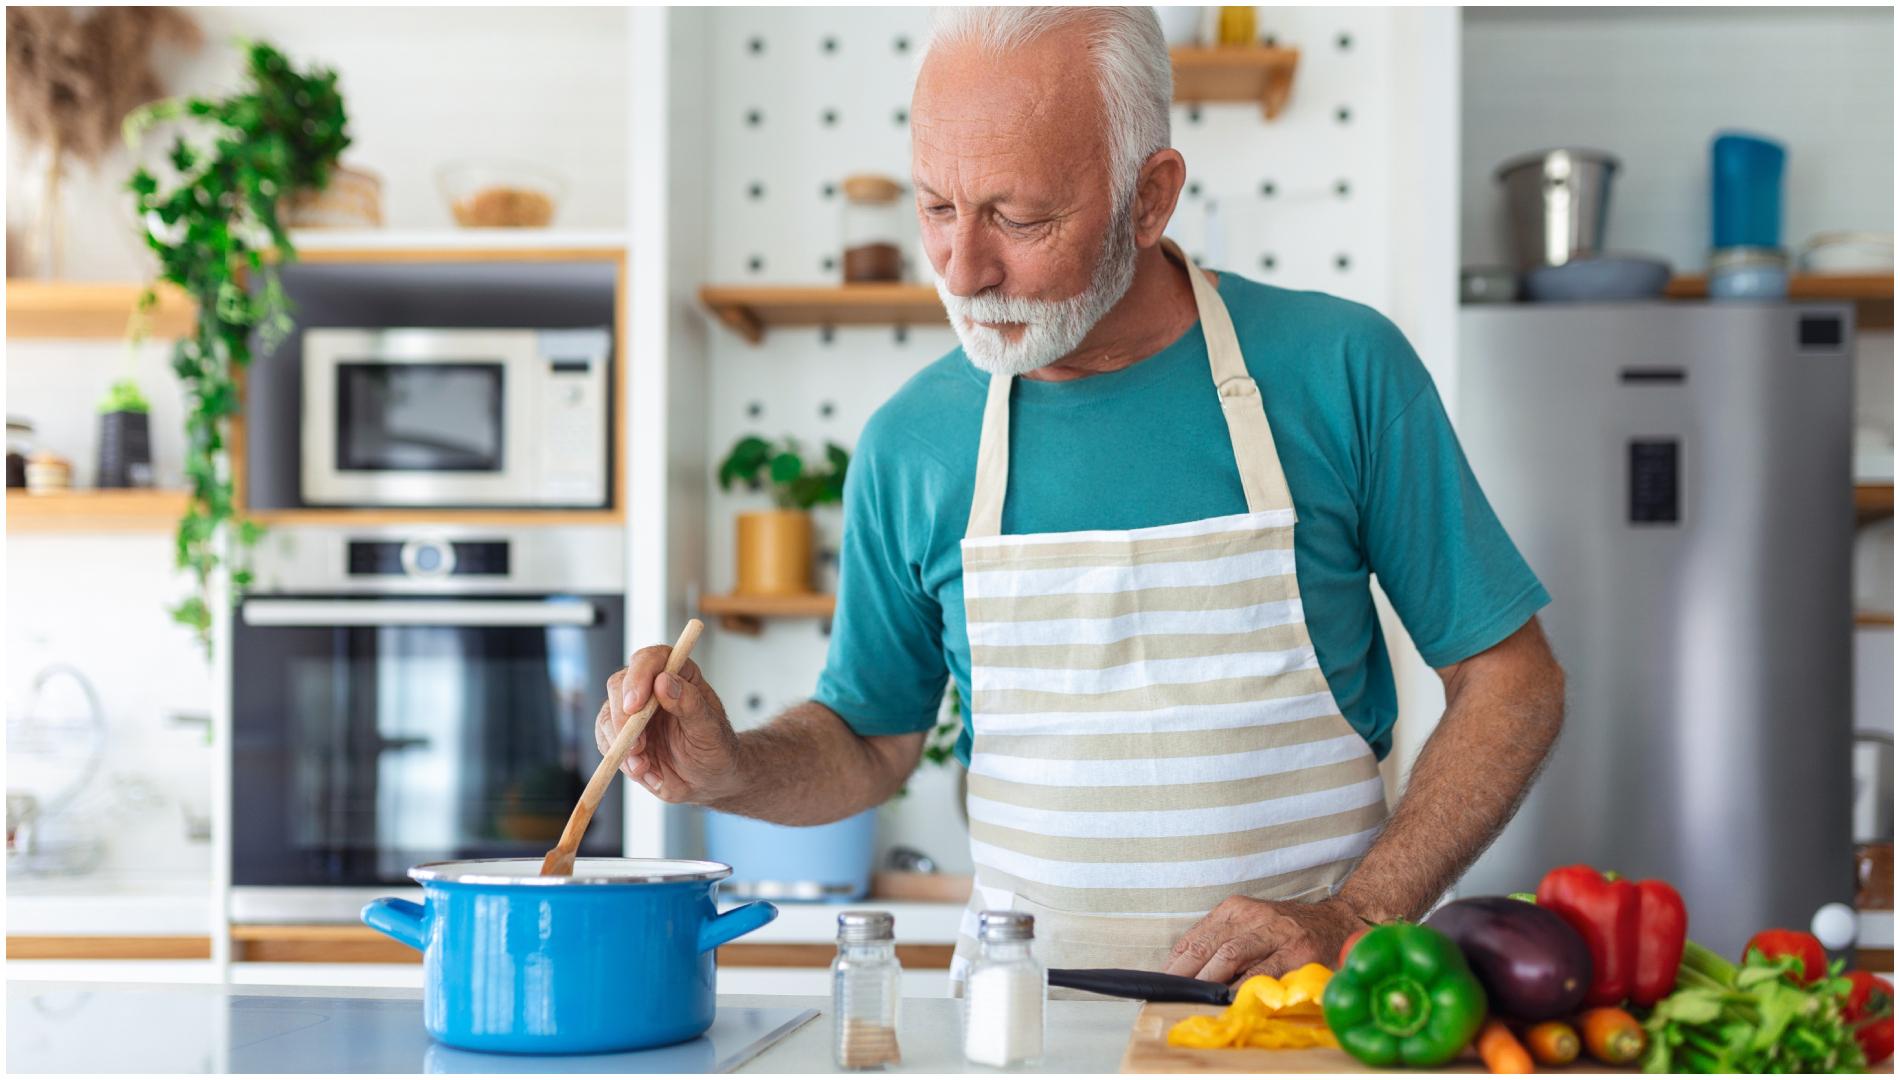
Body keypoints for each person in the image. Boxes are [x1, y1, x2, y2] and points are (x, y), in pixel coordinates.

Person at [597, 6, 1564, 986]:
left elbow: (1512, 681)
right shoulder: (914, 442)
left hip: (1304, 1019)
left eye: (1019, 219)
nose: (963, 271)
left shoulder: (1337, 369)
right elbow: (867, 739)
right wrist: (731, 769)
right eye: (936, 207)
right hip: (1023, 1027)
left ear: (1149, 199)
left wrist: (1355, 913)